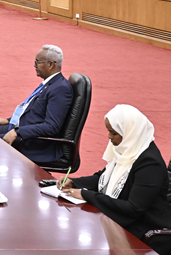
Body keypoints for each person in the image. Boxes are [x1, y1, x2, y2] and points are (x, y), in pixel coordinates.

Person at [61, 105, 171, 255]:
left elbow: (133, 208)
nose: (109, 137)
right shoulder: (128, 149)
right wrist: (75, 182)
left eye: (114, 133)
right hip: (123, 222)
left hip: (144, 230)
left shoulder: (149, 164)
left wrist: (86, 194)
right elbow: (103, 178)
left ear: (130, 133)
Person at [0, 45, 72, 164]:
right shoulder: (49, 83)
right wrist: (8, 120)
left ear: (50, 65)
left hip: (33, 142)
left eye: (37, 62)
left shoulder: (60, 89)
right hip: (21, 128)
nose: (34, 66)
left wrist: (18, 132)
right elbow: (32, 111)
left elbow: (52, 126)